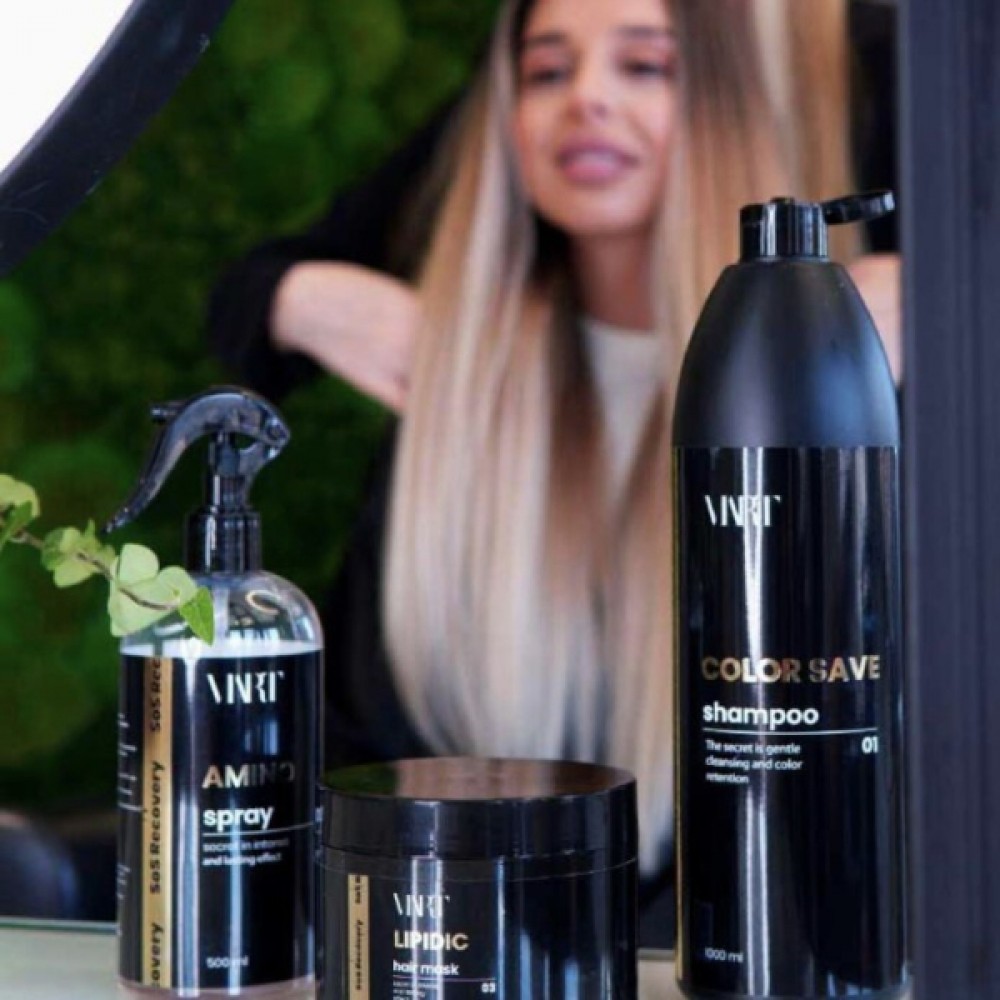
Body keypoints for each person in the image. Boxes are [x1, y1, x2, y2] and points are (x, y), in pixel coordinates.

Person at [210, 0, 902, 947]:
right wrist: (295, 296)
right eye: (546, 72)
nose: (587, 100)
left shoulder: (829, 433)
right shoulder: (455, 443)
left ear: (727, 103)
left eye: (644, 67)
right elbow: (361, 751)